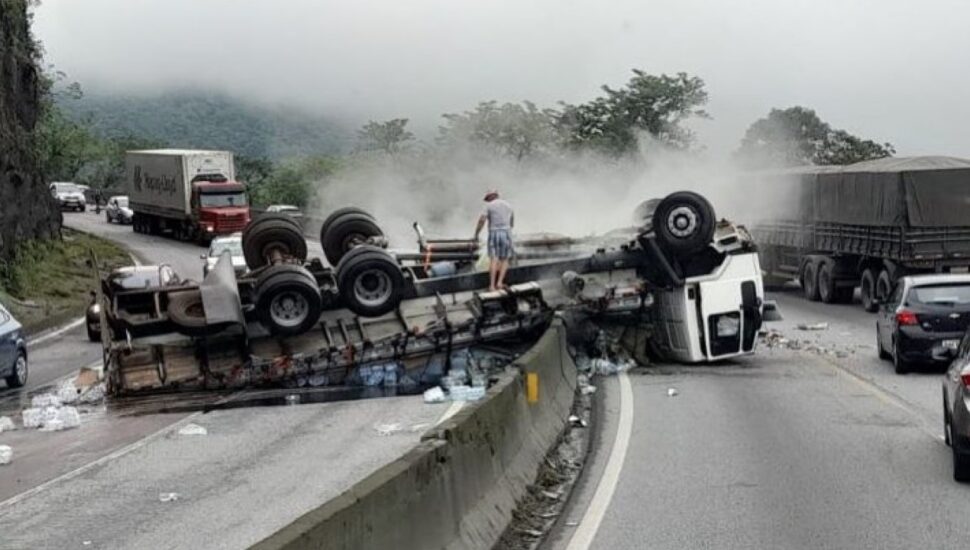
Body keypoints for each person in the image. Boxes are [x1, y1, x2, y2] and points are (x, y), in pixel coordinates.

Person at [474, 189, 514, 291]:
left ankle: (492, 286)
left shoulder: (489, 206)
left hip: (494, 233)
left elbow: (482, 220)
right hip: (506, 233)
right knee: (505, 259)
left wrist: (476, 234)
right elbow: (512, 222)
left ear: (490, 197)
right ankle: (500, 283)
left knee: (494, 259)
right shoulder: (508, 205)